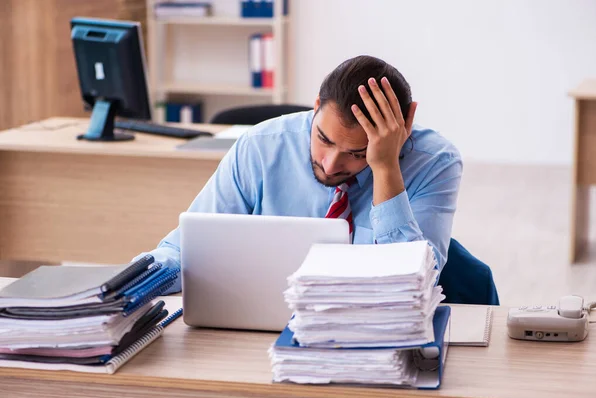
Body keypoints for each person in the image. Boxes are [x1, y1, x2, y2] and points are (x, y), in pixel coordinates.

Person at [138, 55, 462, 293]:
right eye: (324, 139)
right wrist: (126, 285)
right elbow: (185, 250)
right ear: (316, 105)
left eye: (357, 153)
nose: (331, 164)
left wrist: (385, 166)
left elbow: (414, 284)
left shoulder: (435, 163)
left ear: (403, 129)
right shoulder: (261, 146)